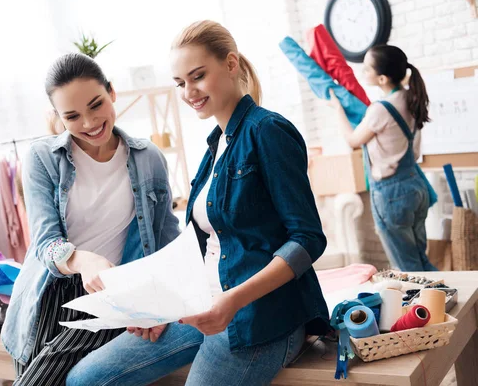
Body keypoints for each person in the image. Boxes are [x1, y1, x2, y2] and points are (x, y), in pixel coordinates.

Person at [66, 20, 330, 386]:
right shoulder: (215, 146)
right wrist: (158, 307)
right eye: (180, 83)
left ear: (231, 64)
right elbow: (201, 244)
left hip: (261, 317)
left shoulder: (267, 131)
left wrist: (232, 302)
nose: (189, 92)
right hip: (203, 304)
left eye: (198, 76)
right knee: (85, 379)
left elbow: (307, 239)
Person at [1, 53, 181, 386]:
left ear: (112, 92)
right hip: (48, 295)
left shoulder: (148, 158)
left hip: (109, 294)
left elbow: (166, 237)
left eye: (96, 105)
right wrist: (84, 261)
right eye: (72, 116)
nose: (89, 123)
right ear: (58, 117)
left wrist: (161, 299)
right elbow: (44, 241)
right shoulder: (42, 158)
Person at [327, 45, 437, 272]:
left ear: (383, 78)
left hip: (392, 195)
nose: (362, 73)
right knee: (420, 261)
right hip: (416, 186)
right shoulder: (411, 97)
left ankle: (431, 306)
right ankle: (445, 303)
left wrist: (337, 109)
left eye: (367, 69)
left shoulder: (380, 110)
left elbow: (353, 140)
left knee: (407, 269)